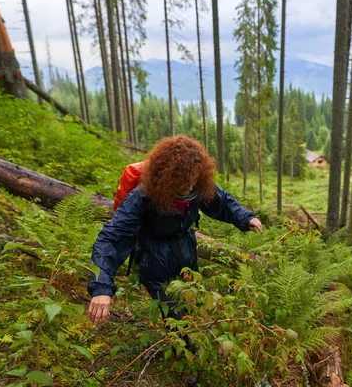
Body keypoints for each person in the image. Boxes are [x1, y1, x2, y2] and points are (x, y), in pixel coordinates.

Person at [87, 135, 263, 328]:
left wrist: (246, 218)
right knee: (177, 317)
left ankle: (188, 342)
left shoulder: (196, 186)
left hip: (186, 254)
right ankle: (186, 349)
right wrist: (101, 287)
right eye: (184, 180)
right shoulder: (142, 196)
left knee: (191, 303)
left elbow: (222, 202)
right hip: (154, 261)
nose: (189, 185)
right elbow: (111, 238)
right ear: (168, 176)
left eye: (194, 178)